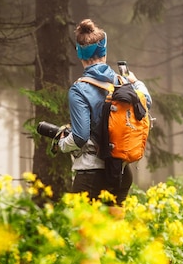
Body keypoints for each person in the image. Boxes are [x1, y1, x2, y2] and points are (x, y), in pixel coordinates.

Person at [57, 19, 152, 205]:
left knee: (81, 231)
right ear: (104, 53)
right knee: (112, 231)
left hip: (92, 176)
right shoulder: (123, 83)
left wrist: (62, 143)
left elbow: (80, 137)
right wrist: (135, 82)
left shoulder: (79, 89)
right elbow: (146, 101)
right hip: (121, 173)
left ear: (80, 55)